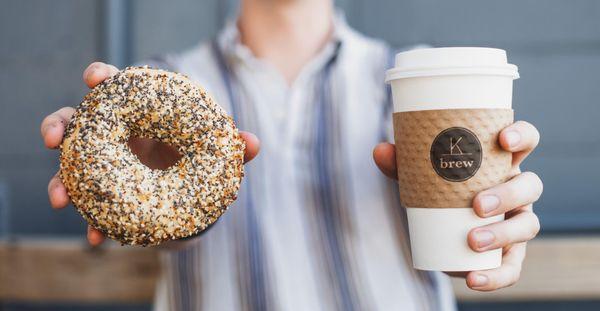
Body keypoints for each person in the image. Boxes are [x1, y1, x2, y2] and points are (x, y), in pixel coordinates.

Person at [40, 0, 543, 310]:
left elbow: (458, 243)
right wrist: (141, 182)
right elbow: (170, 230)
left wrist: (483, 230)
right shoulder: (158, 80)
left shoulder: (413, 80)